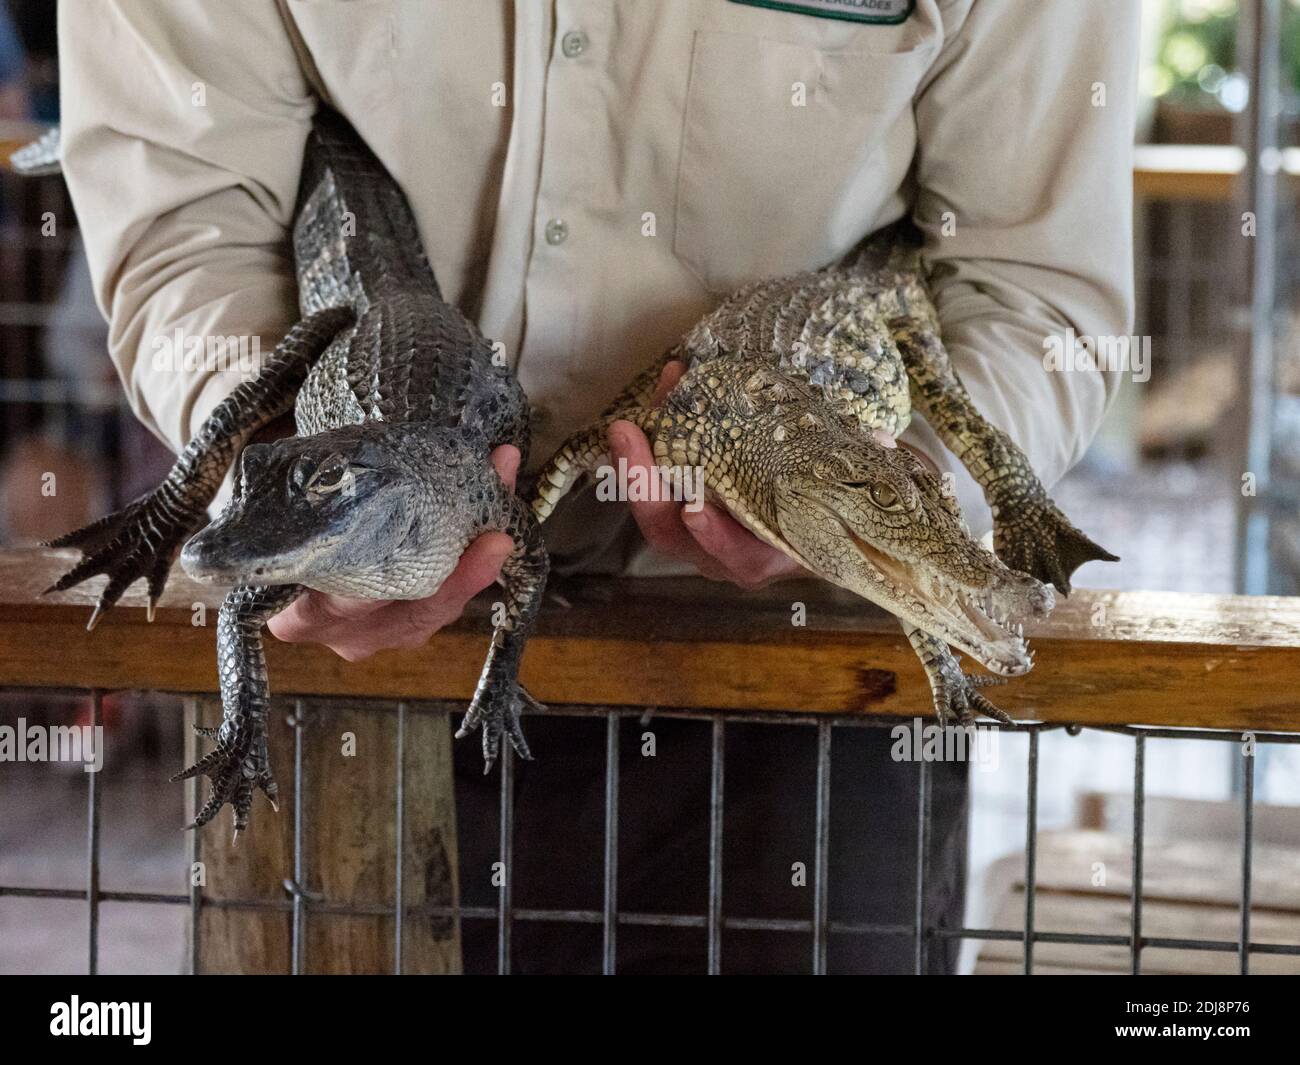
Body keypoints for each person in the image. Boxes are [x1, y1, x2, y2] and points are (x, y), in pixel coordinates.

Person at [58, 0, 1135, 973]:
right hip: (354, 661)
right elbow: (179, 209)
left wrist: (900, 495)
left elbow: (1034, 285)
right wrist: (312, 486)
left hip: (805, 675)